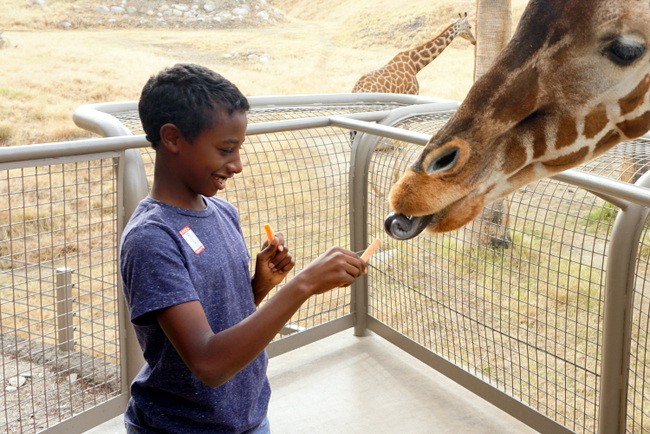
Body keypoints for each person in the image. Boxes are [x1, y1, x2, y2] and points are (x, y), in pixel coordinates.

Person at [119, 63, 367, 433]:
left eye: (239, 149)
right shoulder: (152, 238)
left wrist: (259, 286)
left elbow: (221, 319)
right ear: (172, 138)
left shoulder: (222, 211)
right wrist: (304, 284)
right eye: (225, 149)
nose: (237, 165)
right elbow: (208, 362)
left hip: (247, 417)